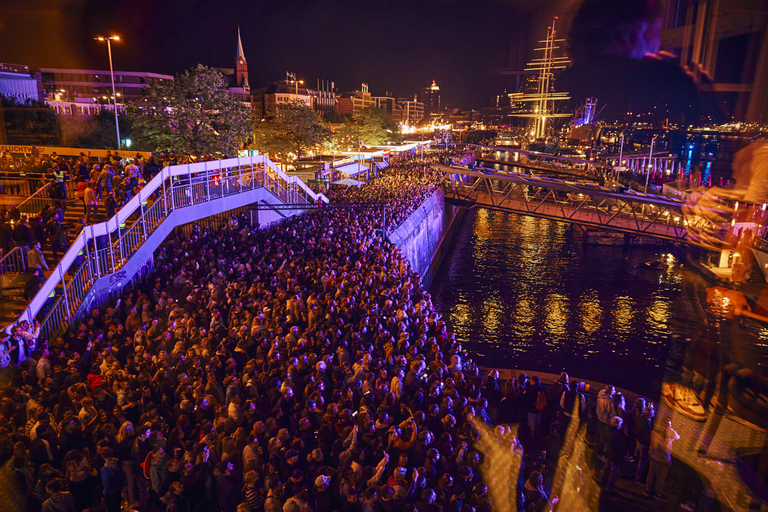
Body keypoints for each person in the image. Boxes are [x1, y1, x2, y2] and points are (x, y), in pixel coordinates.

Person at [645, 416, 679, 501]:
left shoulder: (654, 430)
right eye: (669, 425)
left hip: (652, 455)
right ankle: (658, 493)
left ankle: (648, 490)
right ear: (668, 426)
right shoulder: (668, 435)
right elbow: (667, 449)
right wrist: (668, 459)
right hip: (662, 460)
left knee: (651, 473)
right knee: (661, 477)